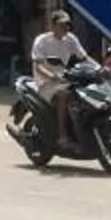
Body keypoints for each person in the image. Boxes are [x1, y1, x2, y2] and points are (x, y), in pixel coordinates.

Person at [30, 8, 87, 144]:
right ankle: (62, 135)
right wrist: (51, 76)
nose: (65, 27)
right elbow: (39, 66)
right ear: (52, 25)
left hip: (64, 79)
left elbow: (84, 57)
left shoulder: (71, 39)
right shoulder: (42, 41)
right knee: (63, 95)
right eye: (62, 24)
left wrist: (99, 68)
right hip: (45, 82)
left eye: (67, 24)